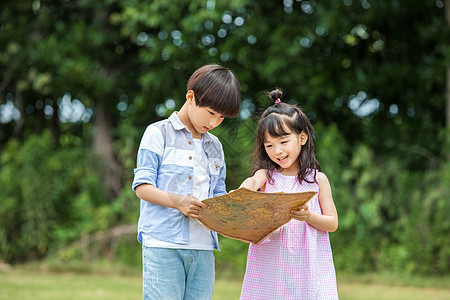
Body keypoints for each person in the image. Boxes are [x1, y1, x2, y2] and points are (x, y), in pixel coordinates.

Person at [132, 64, 241, 300]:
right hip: (163, 243)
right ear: (190, 97)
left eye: (222, 117)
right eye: (211, 113)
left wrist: (238, 204)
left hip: (203, 247)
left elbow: (218, 193)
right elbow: (142, 187)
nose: (214, 122)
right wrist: (178, 202)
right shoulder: (157, 133)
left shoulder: (215, 146)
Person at [239, 88, 339, 300]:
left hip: (308, 267)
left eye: (284, 142)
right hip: (271, 265)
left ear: (302, 138)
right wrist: (243, 191)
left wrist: (308, 217)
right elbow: (253, 181)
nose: (277, 151)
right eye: (269, 145)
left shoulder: (317, 180)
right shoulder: (267, 176)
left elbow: (332, 223)